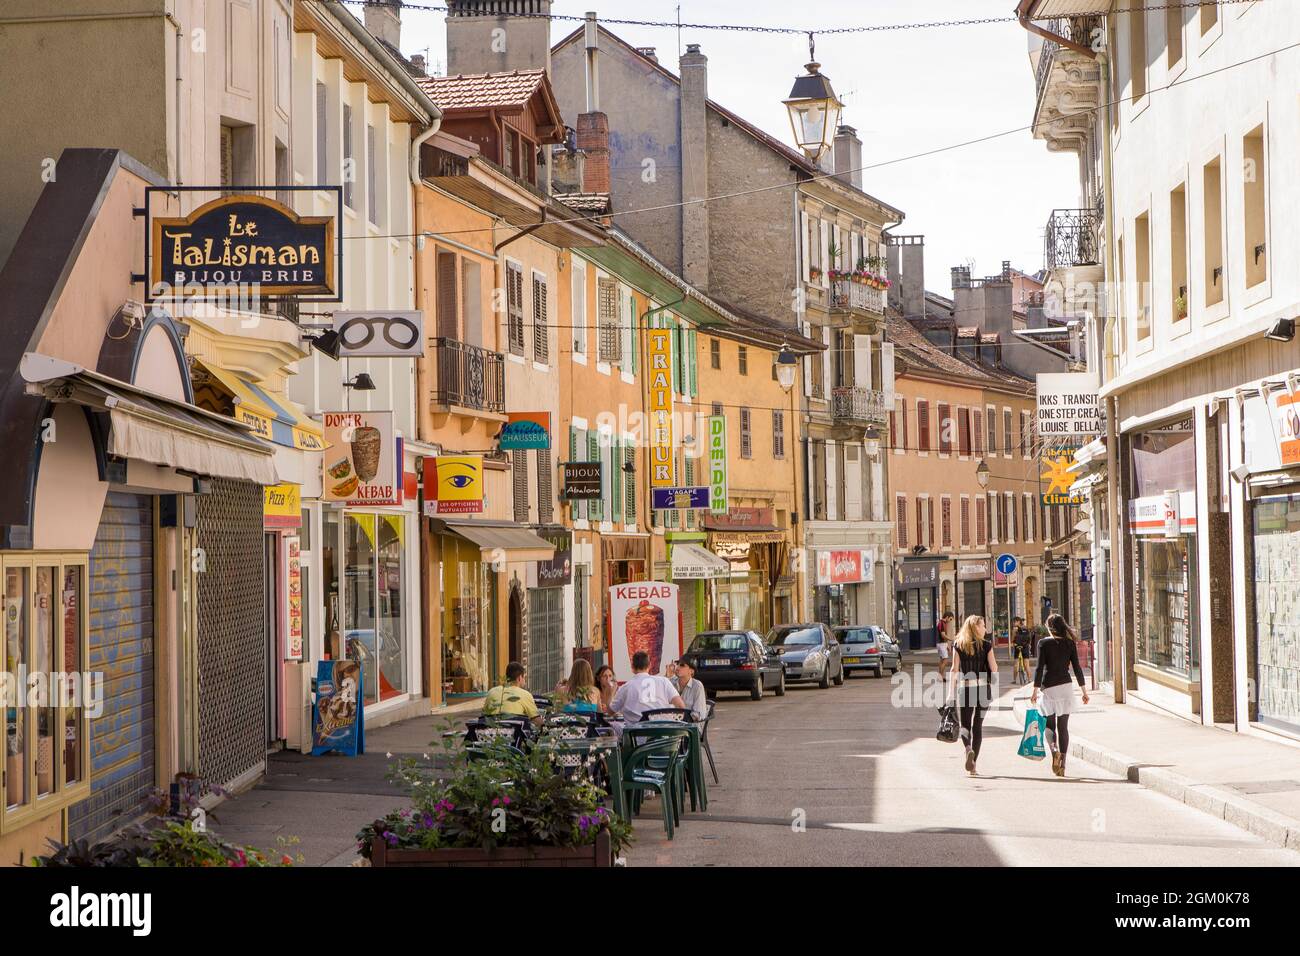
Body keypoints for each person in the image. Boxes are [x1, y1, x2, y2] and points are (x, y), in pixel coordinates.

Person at [1031, 613, 1090, 777]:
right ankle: (1063, 764)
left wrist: (1034, 691)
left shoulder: (1043, 643)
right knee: (1063, 727)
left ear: (1049, 627)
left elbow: (1039, 668)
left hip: (1049, 688)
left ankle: (1054, 750)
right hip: (1066, 687)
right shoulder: (1070, 644)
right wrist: (1084, 691)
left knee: (1049, 726)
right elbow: (1077, 668)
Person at [946, 615, 998, 776]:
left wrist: (950, 694)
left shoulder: (959, 645)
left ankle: (968, 749)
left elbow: (954, 670)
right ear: (976, 627)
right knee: (978, 726)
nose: (985, 629)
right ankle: (973, 765)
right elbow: (994, 668)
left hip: (965, 689)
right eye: (983, 625)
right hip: (983, 690)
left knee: (965, 725)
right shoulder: (987, 645)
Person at [611, 651, 685, 726]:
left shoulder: (625, 688)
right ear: (649, 665)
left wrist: (610, 693)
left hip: (636, 735)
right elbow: (681, 706)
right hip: (664, 734)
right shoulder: (664, 681)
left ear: (632, 667)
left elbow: (610, 712)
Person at [1011, 617, 1032, 685]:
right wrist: (1028, 645)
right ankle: (1029, 680)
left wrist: (1013, 635)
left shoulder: (1015, 629)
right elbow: (1029, 638)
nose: (1014, 623)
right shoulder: (1026, 628)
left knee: (1016, 664)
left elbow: (1012, 639)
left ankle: (1014, 680)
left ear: (1018, 621)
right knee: (1027, 665)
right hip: (1025, 647)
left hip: (1018, 647)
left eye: (1014, 621)